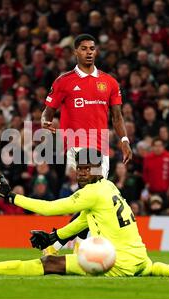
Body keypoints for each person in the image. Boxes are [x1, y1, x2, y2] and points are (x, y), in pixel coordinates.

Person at [0, 148, 169, 278]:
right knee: (148, 268)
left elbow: (50, 208)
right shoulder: (108, 187)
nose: (81, 172)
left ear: (97, 170)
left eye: (86, 168)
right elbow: (83, 220)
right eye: (79, 168)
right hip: (138, 257)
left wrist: (11, 196)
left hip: (116, 262)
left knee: (49, 264)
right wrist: (54, 237)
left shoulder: (92, 192)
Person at [40, 34, 132, 254]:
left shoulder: (109, 82)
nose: (89, 52)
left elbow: (117, 117)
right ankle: (68, 245)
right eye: (84, 48)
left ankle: (59, 244)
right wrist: (45, 122)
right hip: (77, 145)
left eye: (92, 48)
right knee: (89, 198)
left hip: (102, 147)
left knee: (90, 201)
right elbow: (48, 112)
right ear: (75, 52)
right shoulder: (64, 81)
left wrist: (125, 140)